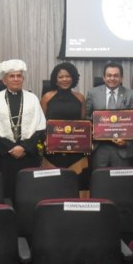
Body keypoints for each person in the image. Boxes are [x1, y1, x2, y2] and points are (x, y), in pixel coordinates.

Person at [0, 59, 46, 199]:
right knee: (4, 193)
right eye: (12, 76)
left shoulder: (32, 98)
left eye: (19, 76)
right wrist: (11, 148)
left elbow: (40, 127)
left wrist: (24, 147)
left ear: (23, 79)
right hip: (3, 155)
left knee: (28, 194)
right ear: (4, 80)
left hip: (28, 154)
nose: (16, 79)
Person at [40, 62, 88, 194]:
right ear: (55, 80)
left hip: (75, 151)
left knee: (75, 187)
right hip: (53, 151)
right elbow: (41, 123)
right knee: (52, 187)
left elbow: (83, 123)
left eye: (68, 76)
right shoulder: (47, 97)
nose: (64, 79)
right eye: (61, 77)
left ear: (73, 78)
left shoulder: (80, 98)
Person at [86, 61, 133, 168]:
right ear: (104, 77)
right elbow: (87, 118)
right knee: (99, 177)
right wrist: (94, 130)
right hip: (100, 147)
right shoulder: (92, 93)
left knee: (120, 177)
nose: (112, 78)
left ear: (121, 78)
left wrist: (125, 140)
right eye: (109, 75)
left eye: (116, 76)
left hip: (122, 147)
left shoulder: (130, 94)